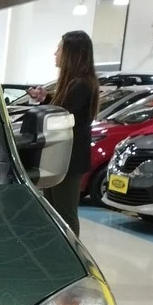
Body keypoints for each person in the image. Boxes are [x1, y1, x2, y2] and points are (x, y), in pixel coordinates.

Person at [28, 31, 99, 236]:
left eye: (59, 49)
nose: (55, 54)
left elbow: (64, 117)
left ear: (71, 53)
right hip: (61, 157)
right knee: (54, 211)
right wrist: (46, 99)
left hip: (69, 159)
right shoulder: (74, 83)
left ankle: (71, 250)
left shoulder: (81, 85)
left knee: (65, 214)